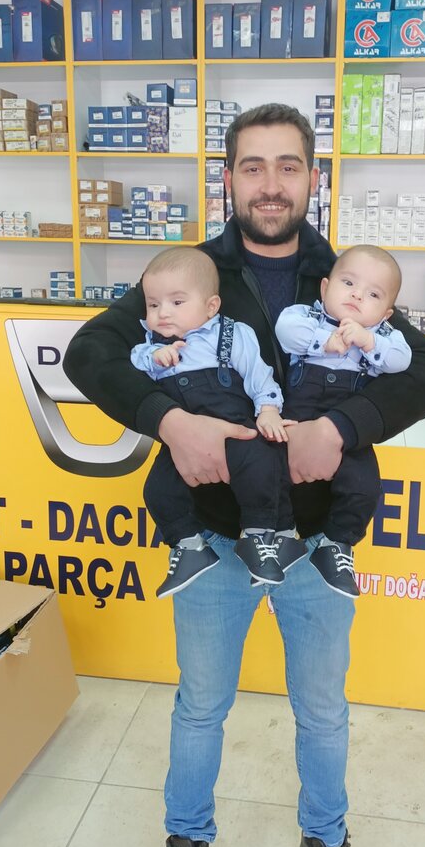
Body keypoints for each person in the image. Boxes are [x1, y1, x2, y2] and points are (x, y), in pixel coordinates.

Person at [63, 103, 425, 847]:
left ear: (312, 178)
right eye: (252, 166)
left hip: (317, 543)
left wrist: (342, 428)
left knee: (323, 710)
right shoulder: (190, 274)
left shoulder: (345, 275)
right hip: (213, 537)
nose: (270, 184)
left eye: (287, 166)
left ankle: (326, 845)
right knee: (201, 707)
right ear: (228, 178)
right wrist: (170, 421)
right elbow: (90, 351)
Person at [131, 245, 304, 596]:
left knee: (264, 468)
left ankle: (259, 537)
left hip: (237, 429)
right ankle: (188, 546)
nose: (163, 313)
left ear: (211, 306)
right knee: (157, 490)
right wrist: (155, 356)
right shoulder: (152, 346)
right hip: (184, 445)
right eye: (153, 304)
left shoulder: (232, 334)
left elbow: (258, 375)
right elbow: (134, 364)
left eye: (177, 302)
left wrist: (269, 410)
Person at [276, 245, 412, 599]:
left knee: (364, 485)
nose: (357, 295)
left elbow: (402, 359)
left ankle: (336, 545)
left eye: (373, 294)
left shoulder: (383, 336)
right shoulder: (306, 316)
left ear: (386, 313)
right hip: (295, 419)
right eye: (348, 283)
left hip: (347, 431)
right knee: (269, 473)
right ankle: (279, 537)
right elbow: (285, 330)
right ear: (325, 288)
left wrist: (368, 342)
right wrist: (326, 343)